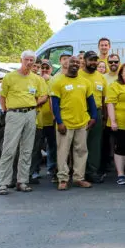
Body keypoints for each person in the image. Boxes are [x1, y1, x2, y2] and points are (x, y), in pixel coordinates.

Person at [0, 51, 48, 195]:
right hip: (14, 114)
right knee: (9, 149)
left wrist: (32, 104)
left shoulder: (37, 79)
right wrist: (7, 111)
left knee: (27, 150)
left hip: (31, 114)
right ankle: (3, 183)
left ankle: (22, 181)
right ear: (21, 60)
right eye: (27, 59)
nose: (30, 62)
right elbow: (2, 98)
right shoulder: (10, 77)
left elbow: (44, 95)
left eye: (32, 60)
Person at [51, 56, 98, 191]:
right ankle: (63, 179)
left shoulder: (85, 82)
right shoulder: (58, 81)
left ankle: (79, 178)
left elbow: (91, 102)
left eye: (77, 62)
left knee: (81, 151)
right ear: (66, 64)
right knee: (63, 152)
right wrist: (59, 122)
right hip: (65, 123)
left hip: (82, 122)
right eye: (73, 62)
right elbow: (55, 104)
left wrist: (93, 117)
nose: (75, 64)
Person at [79, 51, 108, 183]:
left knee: (95, 144)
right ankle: (79, 172)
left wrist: (104, 116)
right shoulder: (78, 74)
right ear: (84, 60)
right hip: (81, 112)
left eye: (95, 60)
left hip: (97, 112)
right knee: (80, 143)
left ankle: (92, 171)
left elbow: (103, 98)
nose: (93, 63)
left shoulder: (100, 77)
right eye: (91, 60)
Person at [106, 63, 125, 185]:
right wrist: (113, 121)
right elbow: (110, 104)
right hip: (119, 122)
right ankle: (120, 174)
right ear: (121, 73)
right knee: (121, 148)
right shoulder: (115, 85)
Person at [34, 60, 56, 183]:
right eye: (42, 68)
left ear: (51, 69)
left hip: (51, 119)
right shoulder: (36, 80)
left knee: (52, 146)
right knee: (37, 146)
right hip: (39, 119)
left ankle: (51, 168)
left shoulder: (54, 80)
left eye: (47, 68)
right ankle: (35, 170)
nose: (44, 70)